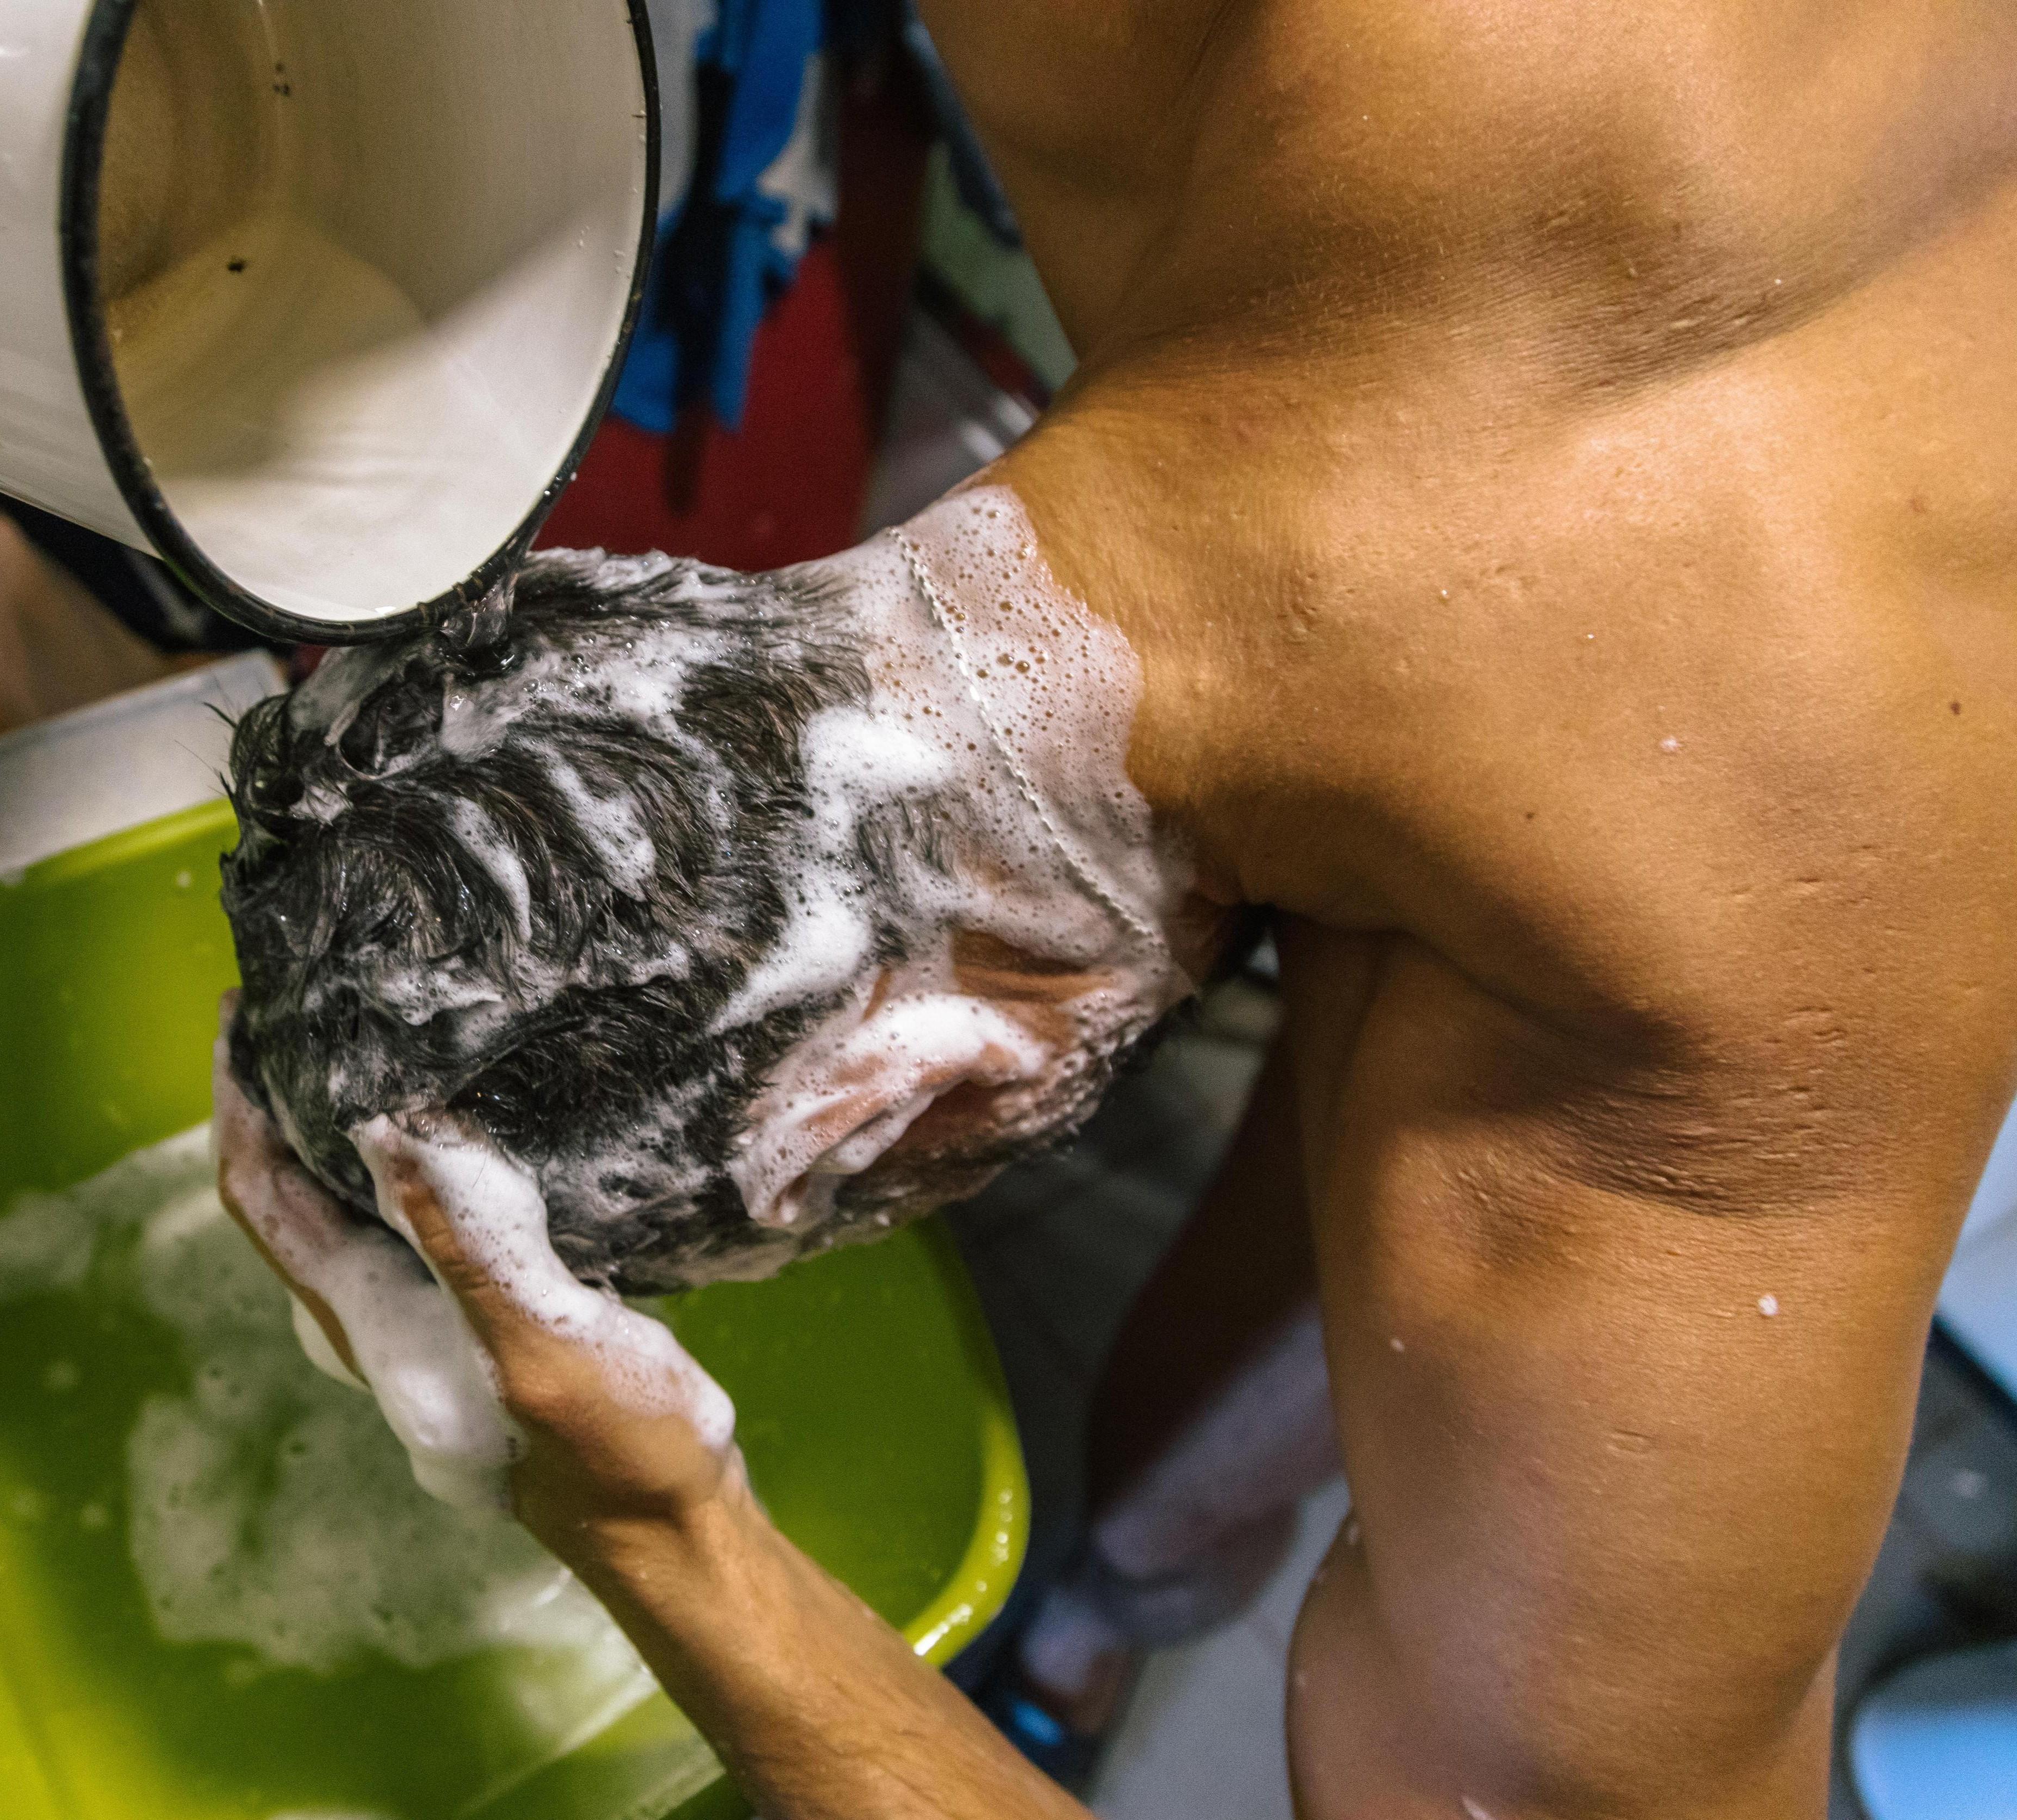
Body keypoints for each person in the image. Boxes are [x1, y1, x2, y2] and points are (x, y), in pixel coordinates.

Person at [214, 1, 2017, 1813]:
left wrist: (662, 1532)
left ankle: (1109, 1608)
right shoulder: (1094, 44)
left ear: (903, 1098)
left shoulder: (1694, 1103)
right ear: (631, 602)